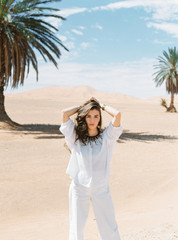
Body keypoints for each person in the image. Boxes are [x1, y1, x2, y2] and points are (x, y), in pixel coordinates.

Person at [59, 97, 123, 240]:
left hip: (101, 188)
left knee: (110, 227)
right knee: (76, 228)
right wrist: (84, 106)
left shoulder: (107, 138)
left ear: (100, 118)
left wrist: (101, 105)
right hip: (78, 188)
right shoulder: (74, 137)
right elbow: (64, 114)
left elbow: (117, 114)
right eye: (88, 116)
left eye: (96, 116)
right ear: (84, 117)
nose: (92, 120)